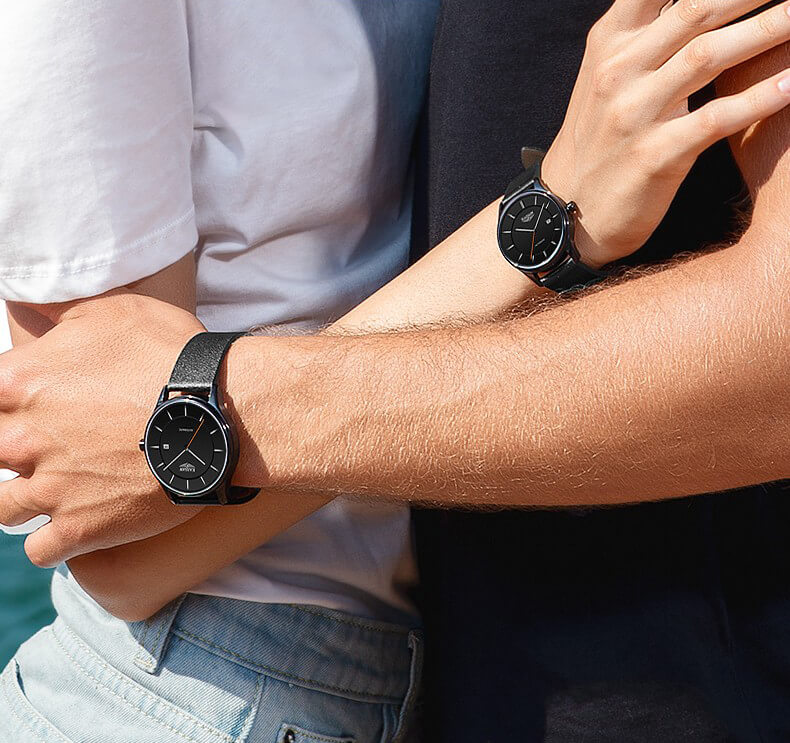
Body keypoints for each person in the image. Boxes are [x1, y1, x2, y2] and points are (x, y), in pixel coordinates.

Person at [0, 0, 788, 740]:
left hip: (440, 665)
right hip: (203, 681)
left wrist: (550, 219)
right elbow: (115, 539)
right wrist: (549, 216)